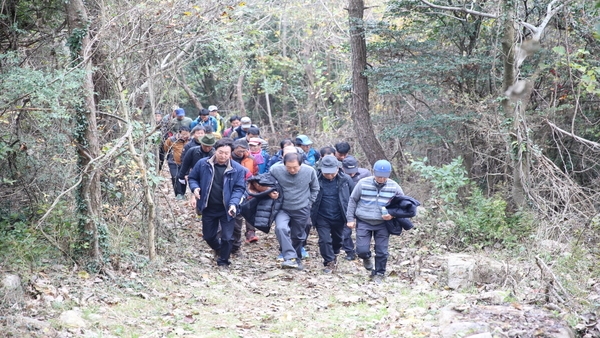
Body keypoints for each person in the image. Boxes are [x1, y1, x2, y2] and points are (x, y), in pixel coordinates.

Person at [188, 139, 247, 267]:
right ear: (215, 150)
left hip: (227, 208)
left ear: (231, 153)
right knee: (208, 236)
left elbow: (239, 188)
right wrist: (195, 188)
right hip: (208, 206)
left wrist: (233, 203)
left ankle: (223, 261)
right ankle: (219, 249)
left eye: (227, 153)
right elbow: (193, 178)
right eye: (221, 152)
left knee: (227, 237)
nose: (223, 156)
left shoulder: (238, 169)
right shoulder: (203, 164)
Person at [346, 160, 403, 283]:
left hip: (383, 223)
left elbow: (403, 205)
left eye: (384, 177)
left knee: (382, 250)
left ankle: (379, 273)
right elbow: (353, 200)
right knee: (361, 250)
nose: (381, 179)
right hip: (363, 221)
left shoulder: (394, 187)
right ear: (374, 173)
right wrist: (350, 219)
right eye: (379, 176)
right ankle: (366, 258)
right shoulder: (362, 183)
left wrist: (392, 215)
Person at [270, 153, 320, 270]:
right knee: (281, 228)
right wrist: (270, 192)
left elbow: (315, 188)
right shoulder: (275, 170)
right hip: (283, 208)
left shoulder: (309, 171)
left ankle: (296, 259)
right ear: (284, 164)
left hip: (302, 208)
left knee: (297, 236)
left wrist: (309, 203)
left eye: (295, 167)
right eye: (289, 167)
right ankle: (289, 257)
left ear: (300, 164)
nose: (292, 170)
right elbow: (267, 183)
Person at [310, 155, 354, 273]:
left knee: (338, 239)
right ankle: (329, 262)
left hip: (339, 215)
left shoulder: (346, 180)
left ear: (338, 168)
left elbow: (353, 198)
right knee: (324, 240)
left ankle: (334, 253)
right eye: (326, 173)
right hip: (321, 215)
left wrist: (352, 216)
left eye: (331, 173)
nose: (329, 175)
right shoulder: (315, 179)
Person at [340, 155, 372, 260]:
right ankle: (350, 252)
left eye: (353, 171)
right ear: (343, 168)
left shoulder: (365, 174)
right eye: (348, 172)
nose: (351, 174)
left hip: (363, 206)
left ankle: (363, 250)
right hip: (346, 205)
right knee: (345, 231)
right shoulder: (339, 175)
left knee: (362, 230)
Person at [231, 139, 260, 245]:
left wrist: (254, 188)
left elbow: (255, 174)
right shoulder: (228, 157)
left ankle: (250, 232)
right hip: (232, 186)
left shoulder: (251, 159)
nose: (241, 153)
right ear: (234, 149)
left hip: (247, 186)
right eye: (239, 150)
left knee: (249, 209)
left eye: (244, 151)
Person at [163, 126, 191, 199]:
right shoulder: (172, 139)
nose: (185, 136)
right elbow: (166, 148)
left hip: (185, 163)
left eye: (187, 134)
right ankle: (178, 194)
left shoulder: (190, 140)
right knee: (175, 176)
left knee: (183, 177)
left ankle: (182, 193)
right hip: (173, 162)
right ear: (179, 133)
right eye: (183, 134)